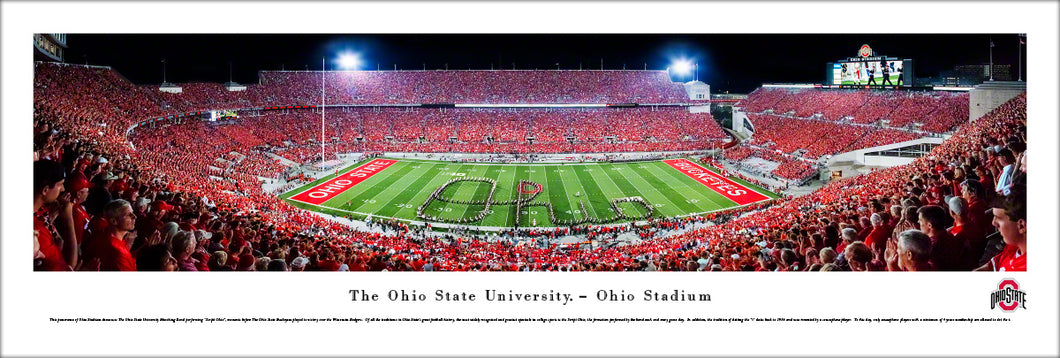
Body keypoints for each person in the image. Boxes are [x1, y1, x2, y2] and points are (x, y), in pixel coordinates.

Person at [975, 184, 1026, 272]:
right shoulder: (1013, 245)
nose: (993, 223)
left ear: (1021, 226)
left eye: (998, 218)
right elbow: (995, 264)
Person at [33, 160, 73, 270]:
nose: (63, 189)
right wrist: (68, 219)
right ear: (45, 190)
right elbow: (69, 266)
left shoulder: (41, 209)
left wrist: (50, 220)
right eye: (60, 185)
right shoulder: (37, 231)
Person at [82, 199, 141, 271]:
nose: (135, 217)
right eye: (129, 215)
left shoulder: (104, 234)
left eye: (132, 213)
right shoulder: (117, 251)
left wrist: (144, 248)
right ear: (114, 221)